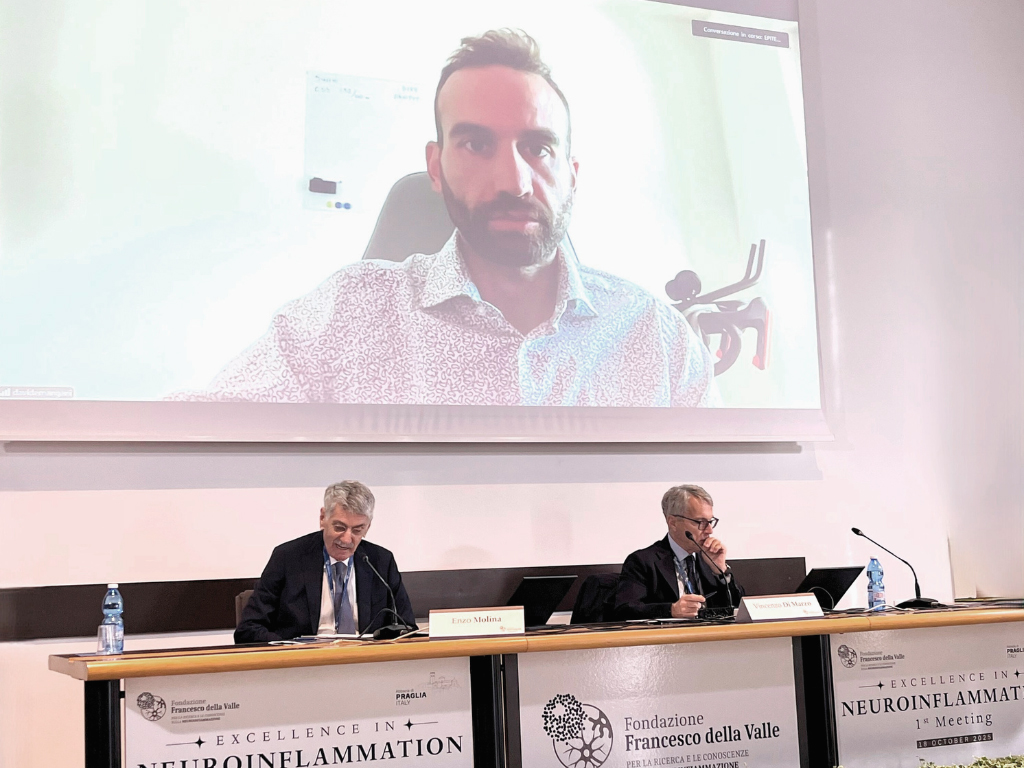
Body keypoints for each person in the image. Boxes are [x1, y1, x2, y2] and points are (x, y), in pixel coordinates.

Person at [183, 29, 717, 407]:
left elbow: (719, 511)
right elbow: (192, 439)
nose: (514, 182)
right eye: (477, 144)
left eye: (538, 148)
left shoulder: (657, 339)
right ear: (436, 168)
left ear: (572, 174)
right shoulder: (346, 316)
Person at [235, 481, 415, 643]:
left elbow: (407, 629)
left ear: (368, 526)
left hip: (365, 661)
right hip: (305, 662)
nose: (346, 539)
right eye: (339, 527)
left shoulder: (381, 562)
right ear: (323, 518)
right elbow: (248, 629)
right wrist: (291, 649)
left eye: (357, 530)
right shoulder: (287, 558)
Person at [613, 484, 742, 620]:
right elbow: (625, 610)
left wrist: (721, 570)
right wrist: (671, 610)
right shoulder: (643, 561)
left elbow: (740, 608)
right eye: (700, 522)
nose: (710, 530)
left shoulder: (709, 559)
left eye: (710, 522)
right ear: (673, 522)